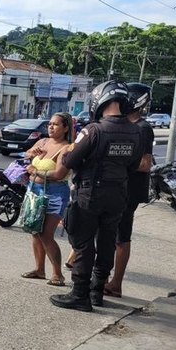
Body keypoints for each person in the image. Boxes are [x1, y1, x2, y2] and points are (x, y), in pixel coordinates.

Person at [44, 81, 143, 312]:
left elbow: (69, 162)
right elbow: (134, 165)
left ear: (100, 101)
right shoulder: (136, 131)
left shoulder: (94, 130)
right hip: (118, 194)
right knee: (108, 242)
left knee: (83, 243)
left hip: (90, 194)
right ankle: (97, 291)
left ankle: (80, 294)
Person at [104, 83, 154, 298]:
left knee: (121, 237)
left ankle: (116, 283)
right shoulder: (123, 125)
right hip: (114, 188)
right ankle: (103, 277)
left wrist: (116, 163)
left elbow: (145, 164)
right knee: (106, 234)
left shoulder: (142, 128)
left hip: (129, 190)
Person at [22, 112, 73, 286]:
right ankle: (39, 269)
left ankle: (58, 274)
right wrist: (31, 153)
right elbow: (26, 155)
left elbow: (59, 174)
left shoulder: (66, 148)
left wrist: (35, 171)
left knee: (46, 234)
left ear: (66, 128)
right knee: (35, 231)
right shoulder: (42, 142)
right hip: (34, 190)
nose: (51, 127)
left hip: (55, 194)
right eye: (50, 124)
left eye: (56, 124)